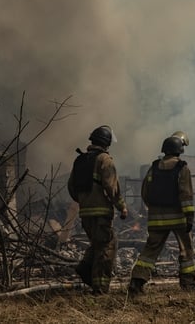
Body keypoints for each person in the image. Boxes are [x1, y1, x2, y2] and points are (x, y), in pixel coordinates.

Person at [128, 131, 195, 295]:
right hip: (178, 218)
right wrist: (189, 217)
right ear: (180, 149)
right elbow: (186, 195)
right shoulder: (182, 168)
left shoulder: (154, 167)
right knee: (186, 249)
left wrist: (154, 209)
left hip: (156, 219)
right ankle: (188, 284)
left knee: (150, 250)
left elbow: (145, 192)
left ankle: (136, 282)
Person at [67, 125, 128, 294]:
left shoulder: (80, 160)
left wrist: (84, 201)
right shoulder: (104, 160)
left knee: (97, 243)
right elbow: (112, 187)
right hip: (102, 213)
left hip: (85, 213)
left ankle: (85, 268)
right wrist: (122, 207)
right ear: (107, 143)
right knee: (107, 246)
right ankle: (100, 288)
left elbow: (71, 187)